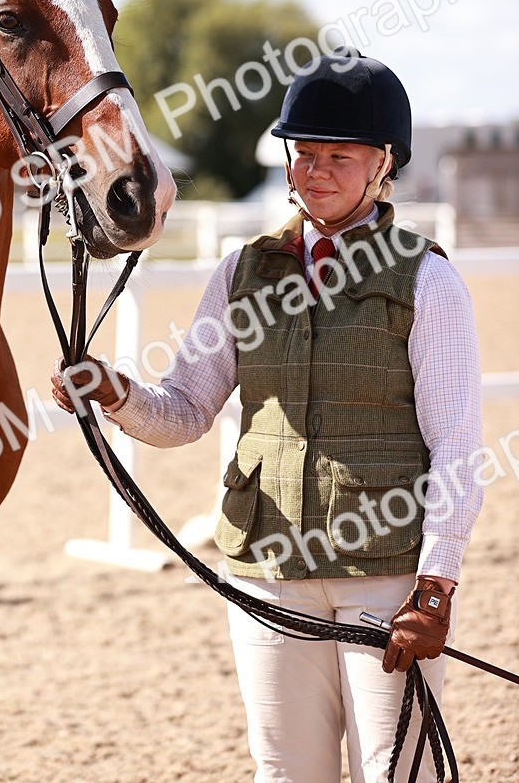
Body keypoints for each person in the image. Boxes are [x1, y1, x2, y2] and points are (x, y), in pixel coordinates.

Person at [52, 49, 483, 783]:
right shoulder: (241, 272)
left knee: (395, 772)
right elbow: (186, 412)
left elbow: (457, 448)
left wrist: (435, 588)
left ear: (383, 164)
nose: (315, 172)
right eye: (303, 153)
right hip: (266, 570)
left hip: (384, 576)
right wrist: (114, 394)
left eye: (339, 157)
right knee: (283, 770)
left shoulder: (427, 280)